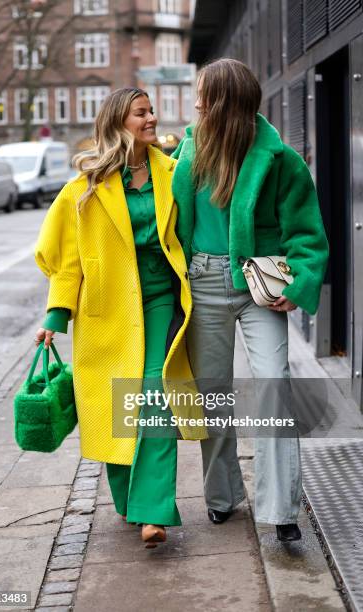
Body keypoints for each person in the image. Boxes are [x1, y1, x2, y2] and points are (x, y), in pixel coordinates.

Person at [34, 87, 205, 548]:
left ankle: (154, 509)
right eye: (141, 113)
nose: (151, 119)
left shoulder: (174, 172)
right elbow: (65, 260)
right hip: (107, 309)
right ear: (118, 122)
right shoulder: (83, 189)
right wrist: (55, 316)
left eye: (152, 111)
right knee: (118, 405)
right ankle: (130, 501)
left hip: (161, 302)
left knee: (154, 394)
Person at [171, 58, 329, 542]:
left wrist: (297, 283)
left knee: (274, 384)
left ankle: (281, 507)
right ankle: (221, 497)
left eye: (202, 93)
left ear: (221, 100)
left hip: (259, 287)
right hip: (201, 283)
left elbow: (306, 232)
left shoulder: (279, 159)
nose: (195, 101)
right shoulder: (186, 151)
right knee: (213, 393)